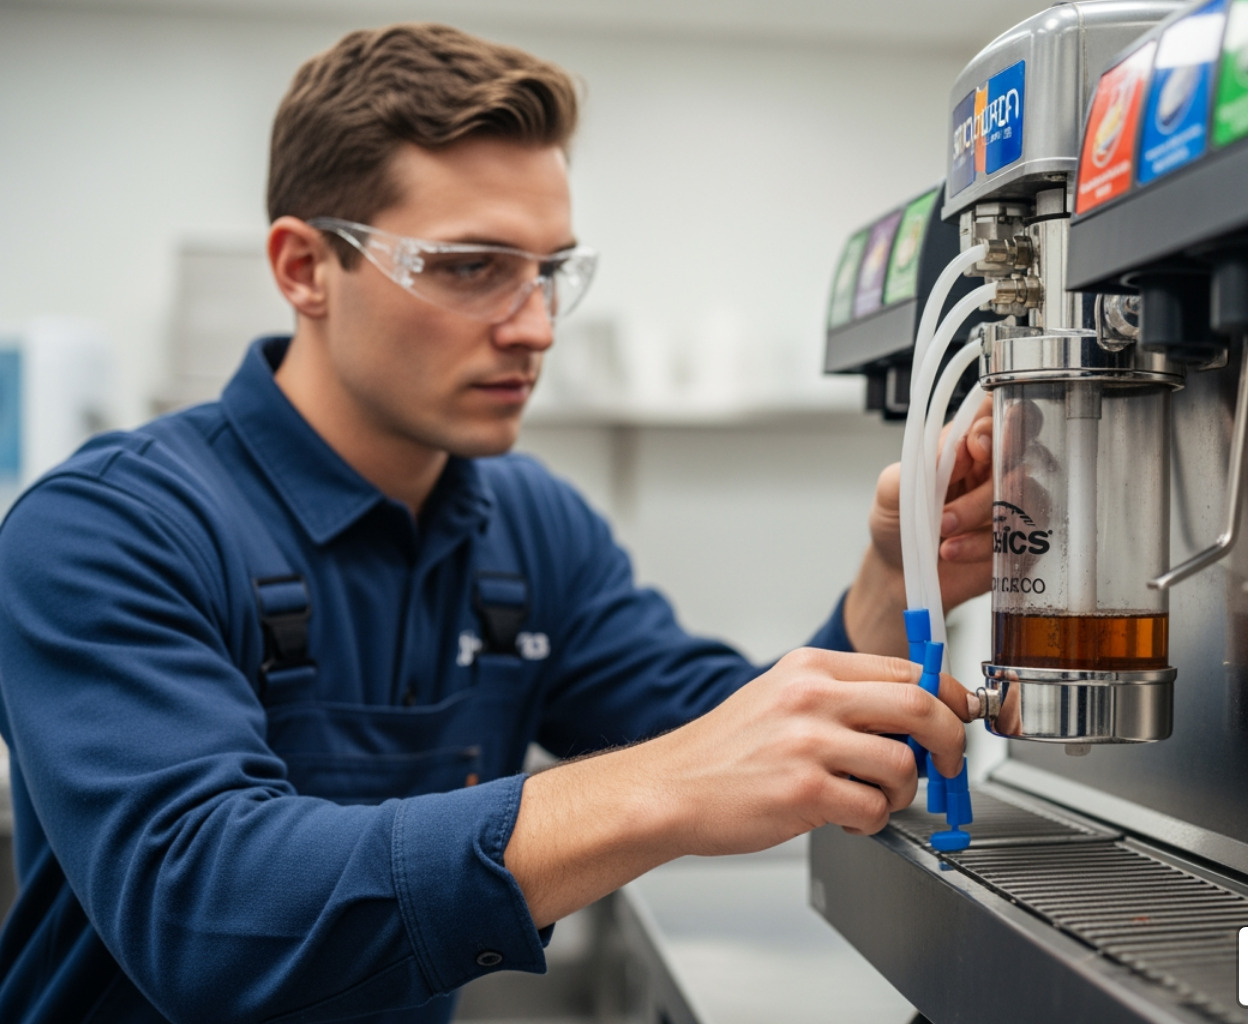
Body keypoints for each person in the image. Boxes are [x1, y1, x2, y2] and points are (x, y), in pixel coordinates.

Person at [0, 23, 995, 1024]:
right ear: (304, 267)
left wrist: (898, 575)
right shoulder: (107, 530)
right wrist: (664, 787)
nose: (535, 326)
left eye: (550, 270)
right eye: (470, 266)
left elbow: (728, 735)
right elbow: (204, 912)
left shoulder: (530, 526)